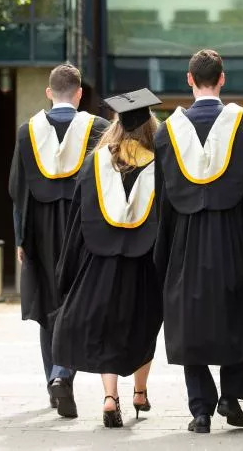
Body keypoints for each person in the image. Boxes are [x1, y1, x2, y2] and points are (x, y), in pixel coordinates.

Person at [154, 49, 243, 434]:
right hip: (233, 238)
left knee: (188, 320)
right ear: (222, 78)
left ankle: (200, 409)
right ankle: (230, 398)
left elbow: (162, 201)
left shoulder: (168, 132)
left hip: (185, 240)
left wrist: (163, 256)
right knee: (234, 313)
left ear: (189, 80)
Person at [52, 88, 164, 428]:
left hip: (101, 261)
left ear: (116, 124)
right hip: (145, 262)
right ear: (149, 126)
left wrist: (68, 268)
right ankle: (140, 392)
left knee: (108, 327)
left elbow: (77, 222)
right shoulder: (161, 164)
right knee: (143, 326)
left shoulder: (95, 163)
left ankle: (110, 397)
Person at [8, 63, 109, 418]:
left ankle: (53, 379)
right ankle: (62, 375)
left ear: (49, 93)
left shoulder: (27, 132)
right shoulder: (98, 129)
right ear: (80, 93)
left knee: (48, 307)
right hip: (83, 230)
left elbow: (17, 189)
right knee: (77, 303)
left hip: (41, 230)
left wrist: (21, 238)